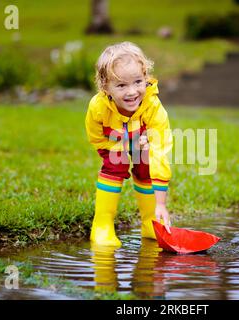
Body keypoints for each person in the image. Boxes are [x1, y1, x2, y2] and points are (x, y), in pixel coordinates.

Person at [85, 41, 173, 247]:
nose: (132, 91)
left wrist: (161, 204)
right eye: (121, 85)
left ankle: (151, 222)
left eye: (137, 81)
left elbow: (160, 150)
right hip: (113, 143)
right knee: (116, 163)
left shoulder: (153, 106)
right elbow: (95, 136)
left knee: (146, 165)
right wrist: (116, 149)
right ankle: (102, 225)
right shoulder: (98, 107)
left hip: (145, 142)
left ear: (146, 77)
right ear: (105, 86)